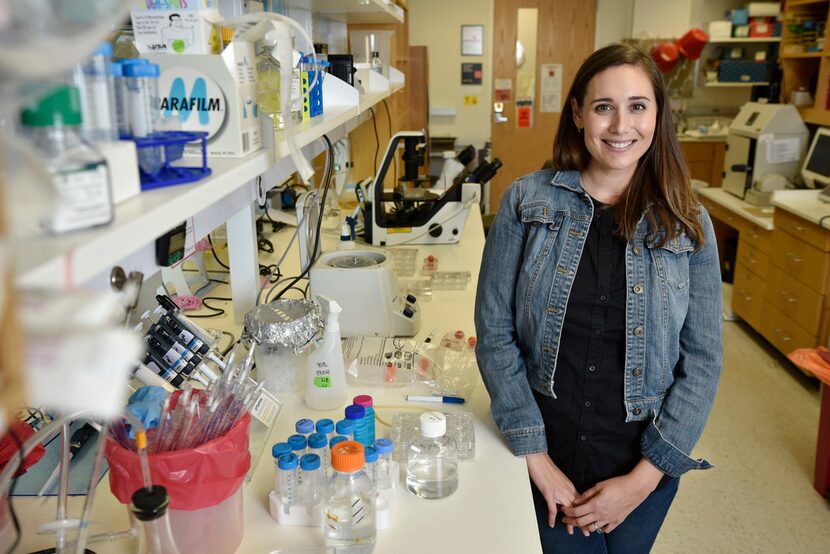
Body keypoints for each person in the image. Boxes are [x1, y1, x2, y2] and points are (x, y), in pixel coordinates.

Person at [474, 43, 722, 553]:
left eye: (637, 106)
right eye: (604, 106)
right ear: (578, 114)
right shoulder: (526, 202)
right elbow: (495, 335)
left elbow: (702, 361)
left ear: (657, 115)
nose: (619, 126)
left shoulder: (688, 224)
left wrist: (644, 479)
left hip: (641, 461)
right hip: (546, 451)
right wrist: (536, 458)